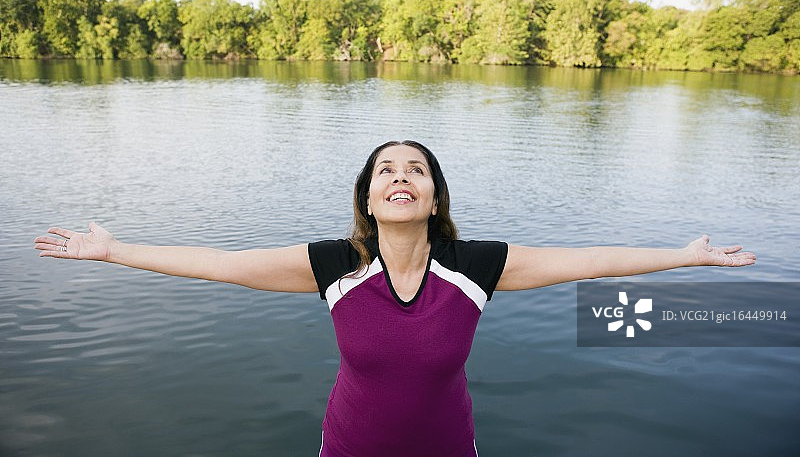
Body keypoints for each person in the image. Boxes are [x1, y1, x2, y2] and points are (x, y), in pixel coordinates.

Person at [34, 139, 756, 457]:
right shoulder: (334, 265)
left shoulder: (474, 266)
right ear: (370, 197)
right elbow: (225, 265)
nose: (401, 176)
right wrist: (116, 250)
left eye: (416, 169)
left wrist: (685, 256)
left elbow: (589, 260)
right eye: (386, 169)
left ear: (434, 196)